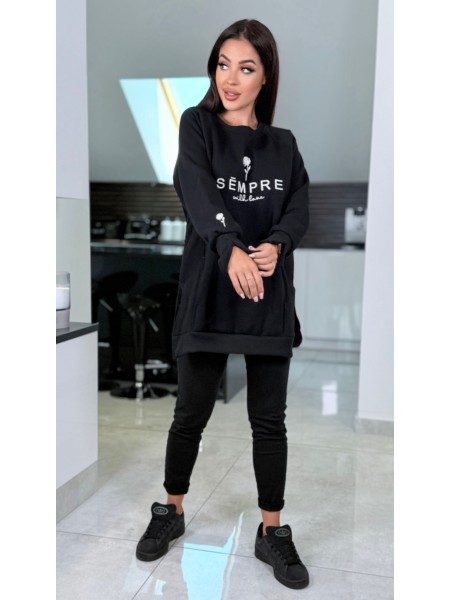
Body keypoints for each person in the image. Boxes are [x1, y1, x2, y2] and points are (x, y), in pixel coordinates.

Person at [136, 18, 310, 590]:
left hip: (266, 296)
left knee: (269, 422)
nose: (230, 79)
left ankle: (271, 531)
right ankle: (171, 509)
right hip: (210, 291)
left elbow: (298, 207)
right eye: (223, 65)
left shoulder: (283, 145)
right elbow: (196, 188)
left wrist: (277, 245)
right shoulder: (197, 125)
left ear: (265, 78)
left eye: (246, 68)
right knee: (190, 412)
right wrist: (229, 245)